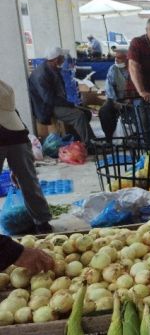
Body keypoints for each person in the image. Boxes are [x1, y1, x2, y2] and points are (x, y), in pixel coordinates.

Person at [0, 80, 53, 234]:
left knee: (28, 179)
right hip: (14, 135)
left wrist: (17, 168)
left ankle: (42, 221)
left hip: (17, 138)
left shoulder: (5, 94)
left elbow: (21, 135)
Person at [28, 47, 96, 145]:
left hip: (53, 103)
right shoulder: (42, 74)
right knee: (79, 115)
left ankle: (78, 140)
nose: (64, 59)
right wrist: (69, 104)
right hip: (46, 108)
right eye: (62, 57)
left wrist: (70, 104)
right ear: (56, 60)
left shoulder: (52, 68)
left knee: (86, 113)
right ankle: (90, 144)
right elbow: (49, 99)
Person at [98, 47, 131, 142]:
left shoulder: (134, 67)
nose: (116, 60)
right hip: (117, 99)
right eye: (116, 57)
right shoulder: (113, 69)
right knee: (104, 111)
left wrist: (130, 100)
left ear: (127, 58)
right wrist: (114, 101)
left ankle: (134, 138)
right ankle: (109, 138)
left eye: (120, 58)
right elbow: (109, 87)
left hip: (132, 99)